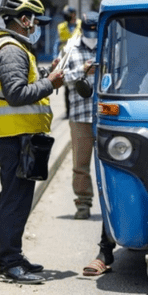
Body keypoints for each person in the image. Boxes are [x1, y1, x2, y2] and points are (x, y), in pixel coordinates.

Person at [0, 0, 65, 284]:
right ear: (24, 20)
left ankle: (15, 256)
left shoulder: (17, 49)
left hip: (23, 134)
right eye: (35, 21)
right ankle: (9, 263)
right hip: (14, 135)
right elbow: (17, 94)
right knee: (14, 198)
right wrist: (50, 83)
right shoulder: (10, 50)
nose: (37, 26)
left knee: (20, 198)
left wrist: (46, 74)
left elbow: (22, 83)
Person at [64, 11, 99, 220]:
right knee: (80, 165)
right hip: (80, 115)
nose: (92, 36)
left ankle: (113, 206)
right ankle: (83, 205)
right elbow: (60, 77)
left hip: (106, 116)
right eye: (88, 32)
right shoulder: (70, 49)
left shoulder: (109, 46)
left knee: (112, 163)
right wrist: (82, 71)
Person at [58, 6, 82, 119]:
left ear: (73, 14)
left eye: (68, 13)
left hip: (79, 57)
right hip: (65, 58)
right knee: (67, 86)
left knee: (79, 84)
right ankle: (68, 112)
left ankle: (79, 110)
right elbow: (58, 43)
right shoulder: (61, 27)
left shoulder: (81, 24)